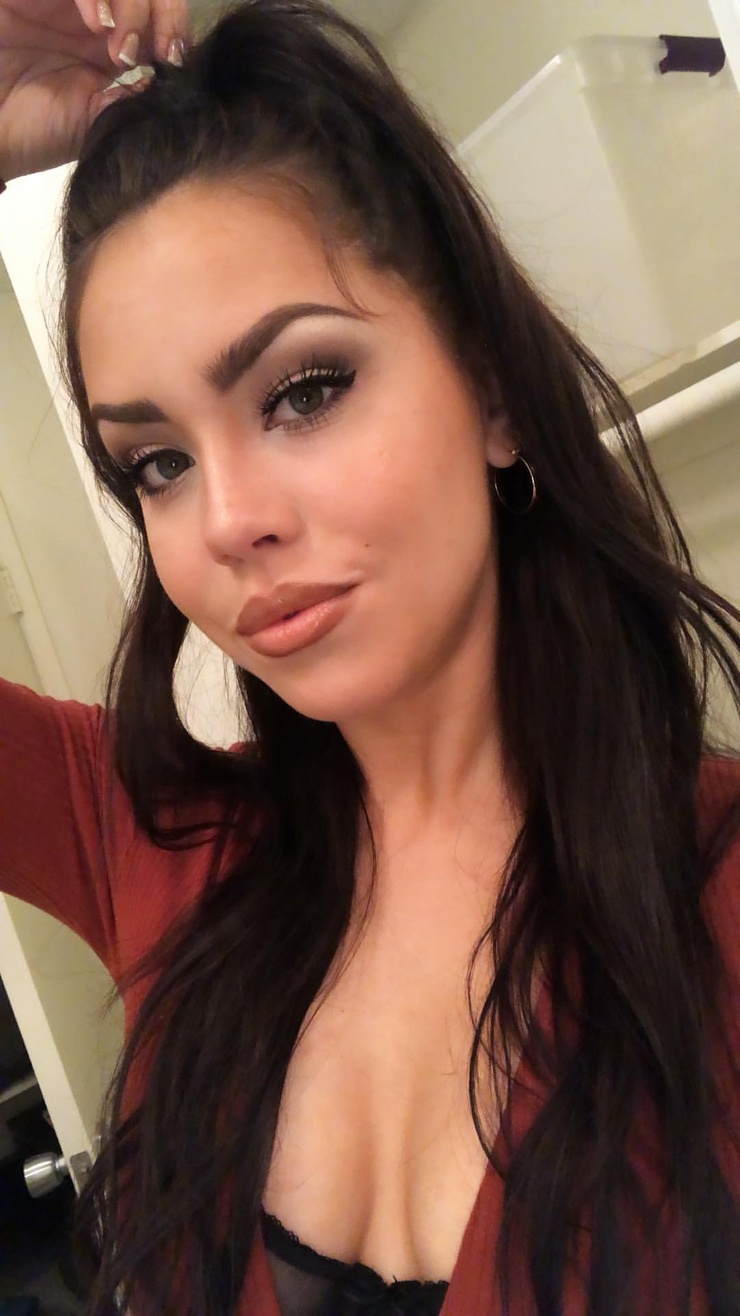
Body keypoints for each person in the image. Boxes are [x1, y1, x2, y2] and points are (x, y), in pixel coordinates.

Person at [1, 1, 739, 1313]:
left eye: (303, 390)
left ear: (492, 390)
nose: (228, 520)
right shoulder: (156, 839)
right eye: (157, 463)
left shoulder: (715, 891)